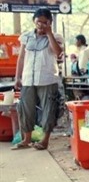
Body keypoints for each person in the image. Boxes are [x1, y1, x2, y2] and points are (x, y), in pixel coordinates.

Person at [13, 8, 63, 151]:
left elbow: (58, 53)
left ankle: (45, 140)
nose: (41, 25)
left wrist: (49, 34)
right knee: (26, 108)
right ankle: (26, 139)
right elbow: (21, 57)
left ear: (50, 22)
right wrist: (18, 77)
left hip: (47, 78)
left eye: (44, 22)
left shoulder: (56, 36)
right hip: (28, 79)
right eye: (38, 22)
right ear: (34, 22)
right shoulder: (26, 37)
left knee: (49, 109)